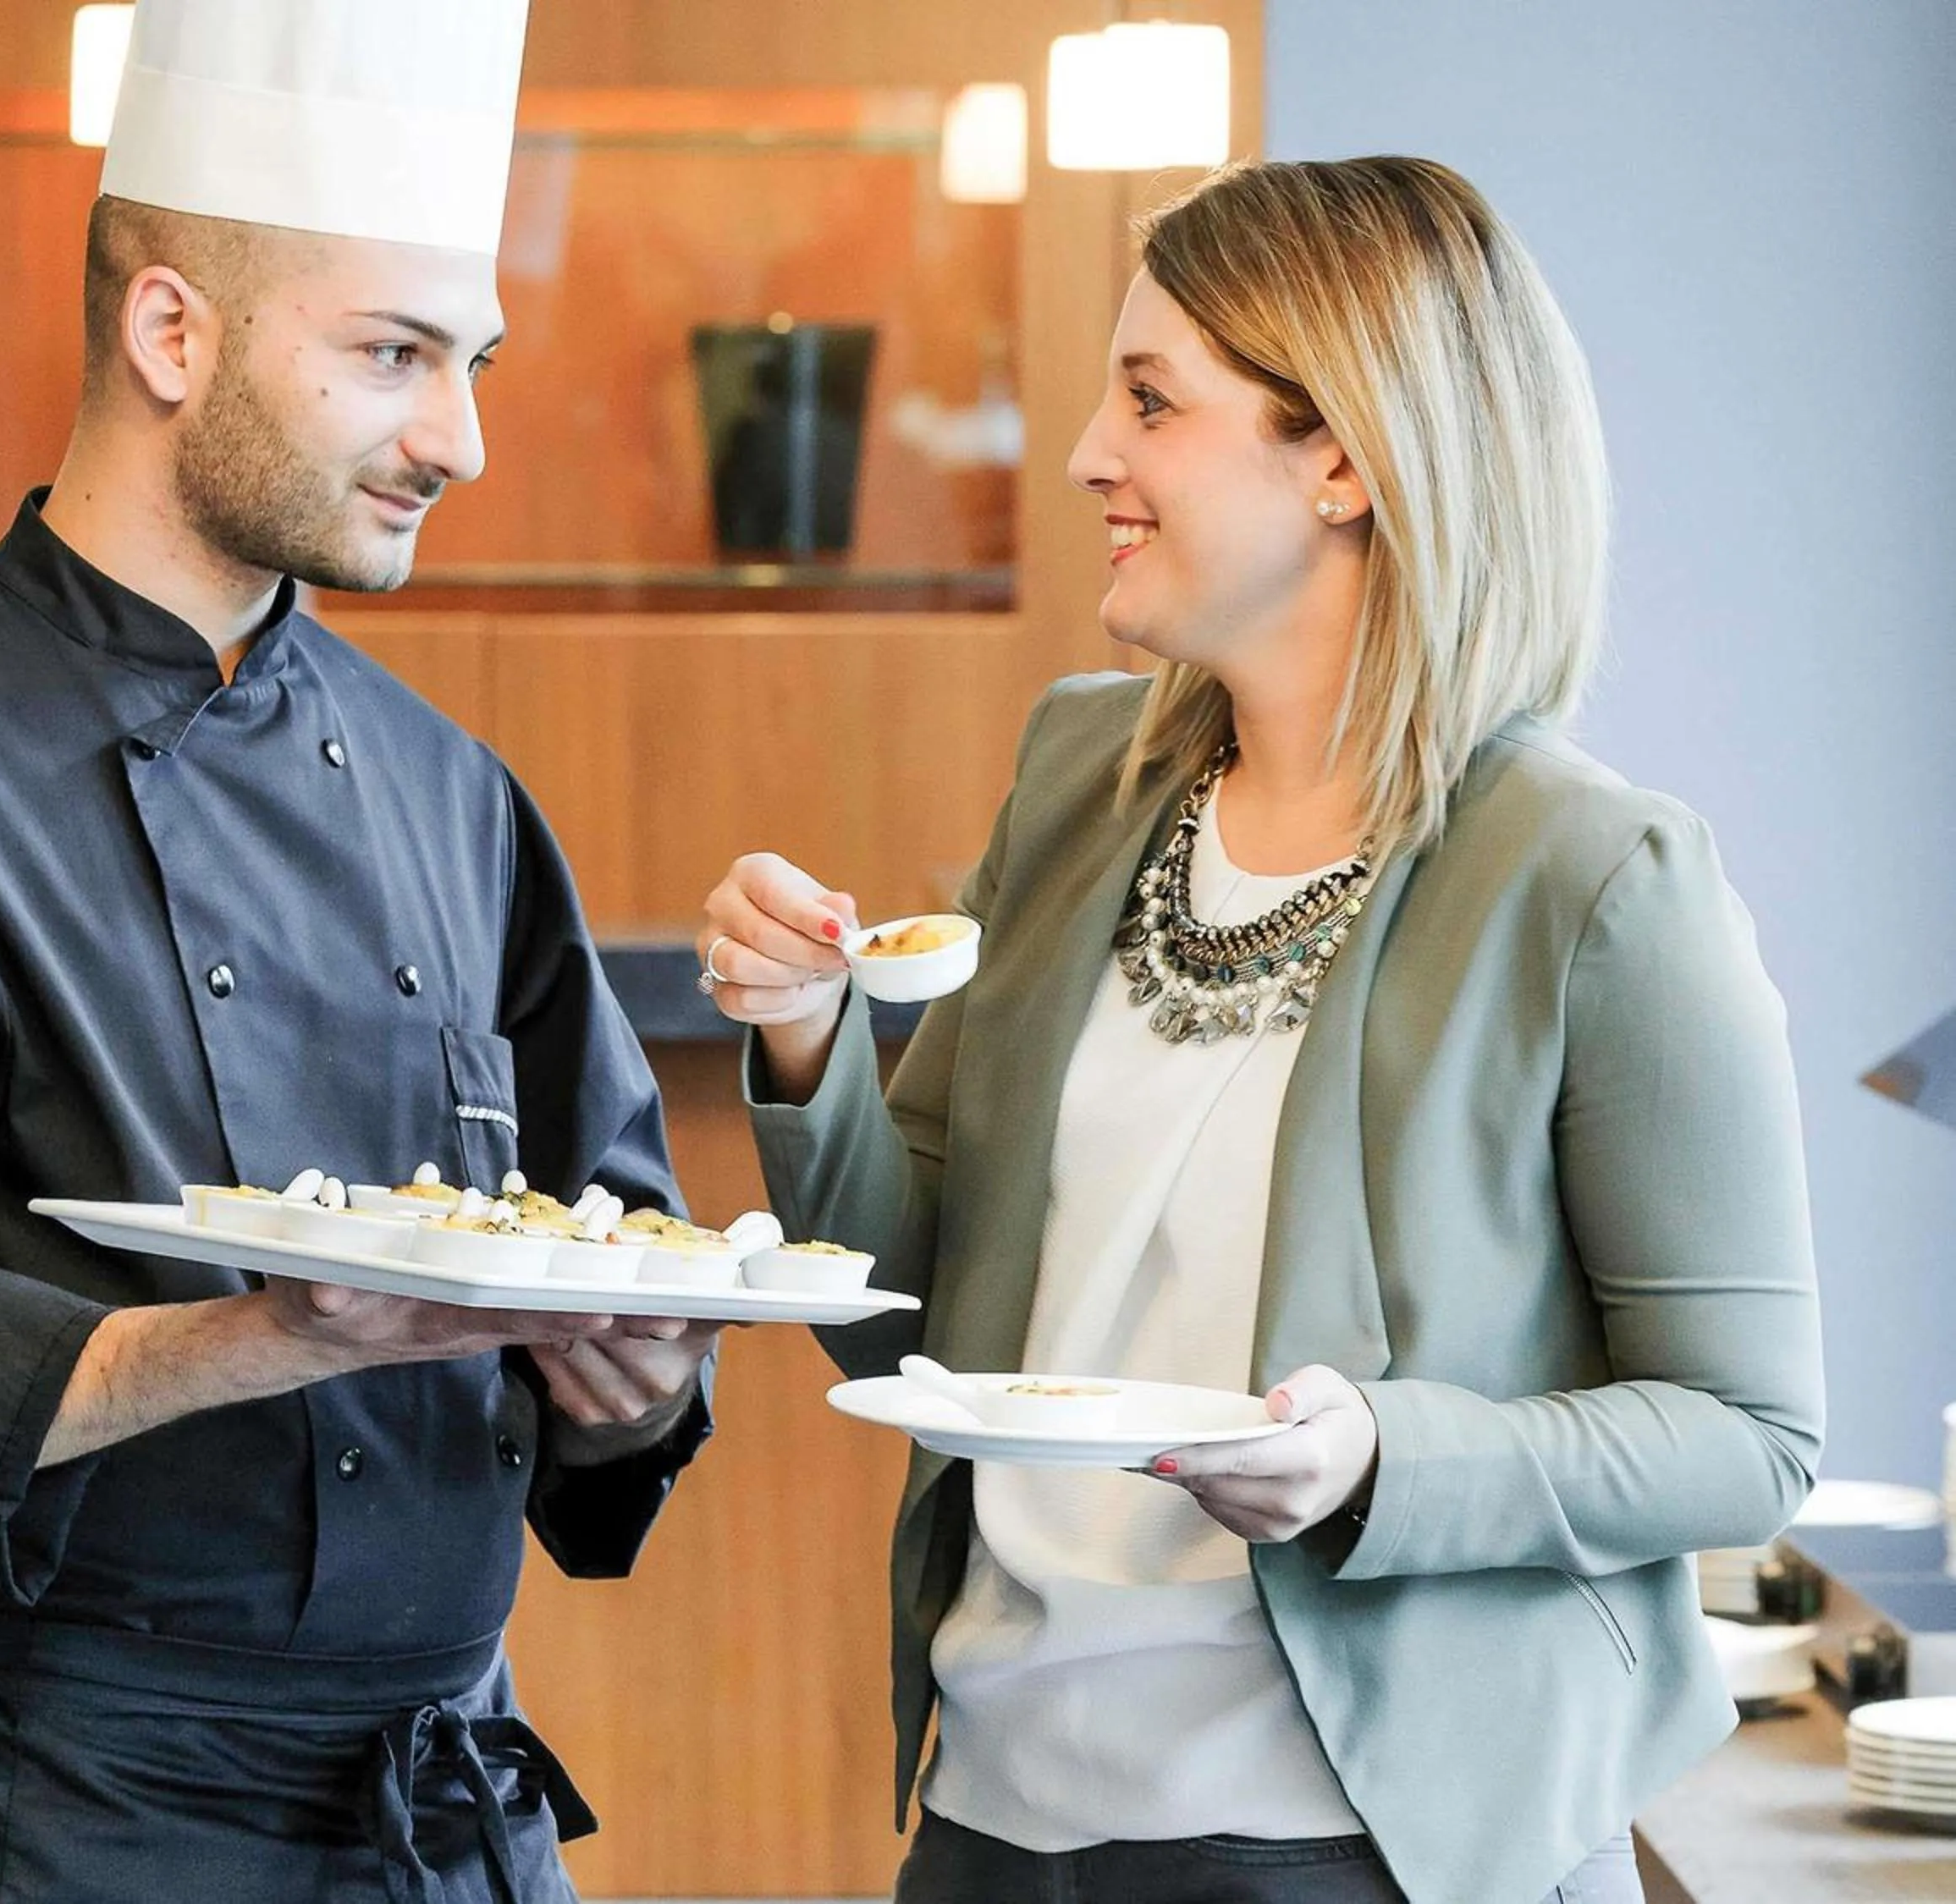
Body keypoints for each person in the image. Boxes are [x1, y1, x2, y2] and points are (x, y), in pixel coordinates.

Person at [0, 3, 719, 1897]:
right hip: (59, 1826)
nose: (458, 438)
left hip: (439, 1826)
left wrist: (639, 1380)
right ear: (174, 333)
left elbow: (615, 1256)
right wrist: (263, 1340)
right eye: (393, 355)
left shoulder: (454, 795)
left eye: (471, 360)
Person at [697, 157, 1822, 1904]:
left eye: (1151, 398)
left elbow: (1749, 1437)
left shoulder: (1600, 882)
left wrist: (1382, 1455)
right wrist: (806, 1042)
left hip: (1377, 1850)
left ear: (1348, 459)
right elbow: (912, 1328)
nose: (1087, 452)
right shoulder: (1083, 779)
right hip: (999, 1818)